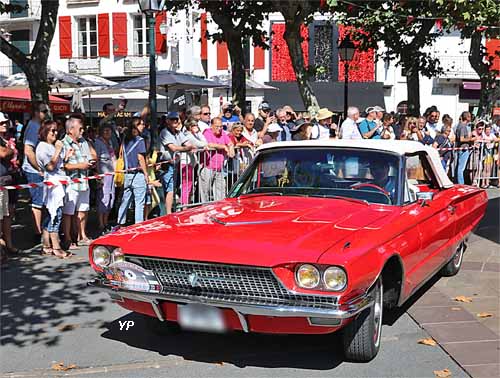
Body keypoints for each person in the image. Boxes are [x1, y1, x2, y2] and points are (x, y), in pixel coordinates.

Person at [36, 120, 72, 258]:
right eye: (52, 131)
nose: (55, 133)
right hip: (53, 186)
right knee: (55, 216)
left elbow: (59, 166)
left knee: (52, 215)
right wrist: (58, 150)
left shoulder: (50, 146)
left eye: (57, 130)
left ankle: (46, 245)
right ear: (45, 132)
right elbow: (50, 167)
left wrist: (66, 156)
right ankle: (56, 247)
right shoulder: (43, 147)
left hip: (59, 183)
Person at [62, 116, 94, 249]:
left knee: (83, 209)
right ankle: (68, 239)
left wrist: (90, 164)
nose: (82, 131)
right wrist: (80, 166)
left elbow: (91, 157)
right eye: (80, 128)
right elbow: (63, 165)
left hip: (84, 181)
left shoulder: (83, 142)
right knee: (69, 212)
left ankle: (82, 235)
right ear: (70, 129)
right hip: (71, 183)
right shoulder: (63, 143)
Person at [22, 102, 49, 242]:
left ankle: (42, 229)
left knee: (42, 200)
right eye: (44, 111)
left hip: (38, 169)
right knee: (38, 202)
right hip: (34, 170)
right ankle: (37, 232)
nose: (46, 113)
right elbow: (28, 150)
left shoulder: (37, 126)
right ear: (36, 112)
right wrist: (39, 168)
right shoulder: (33, 126)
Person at [159, 112, 195, 214]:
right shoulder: (165, 132)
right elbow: (173, 148)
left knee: (173, 188)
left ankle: (171, 211)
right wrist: (186, 148)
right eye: (172, 119)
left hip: (175, 164)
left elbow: (189, 143)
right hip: (165, 164)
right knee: (169, 189)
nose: (175, 121)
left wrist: (190, 147)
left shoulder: (178, 133)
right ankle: (168, 213)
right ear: (167, 121)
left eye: (176, 119)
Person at [117, 118, 150, 224]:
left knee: (125, 200)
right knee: (139, 202)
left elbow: (121, 155)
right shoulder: (140, 140)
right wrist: (146, 174)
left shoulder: (125, 140)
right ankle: (138, 225)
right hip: (138, 175)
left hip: (127, 174)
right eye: (141, 124)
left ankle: (120, 222)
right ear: (136, 126)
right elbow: (140, 158)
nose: (143, 126)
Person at [200, 117, 234, 202]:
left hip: (219, 168)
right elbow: (209, 144)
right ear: (212, 126)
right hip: (207, 167)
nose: (219, 128)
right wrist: (223, 146)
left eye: (221, 126)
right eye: (217, 126)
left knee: (221, 192)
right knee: (205, 192)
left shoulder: (223, 133)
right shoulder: (207, 132)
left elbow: (230, 142)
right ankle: (205, 210)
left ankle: (220, 210)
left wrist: (231, 148)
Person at [94, 125, 116, 232]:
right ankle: (101, 223)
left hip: (112, 173)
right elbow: (97, 159)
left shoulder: (110, 142)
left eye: (109, 131)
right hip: (103, 174)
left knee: (111, 198)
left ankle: (106, 221)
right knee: (103, 198)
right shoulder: (98, 143)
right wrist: (98, 174)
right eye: (106, 130)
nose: (108, 133)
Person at [455, 112, 475, 185]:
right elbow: (461, 139)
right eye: (469, 117)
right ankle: (461, 184)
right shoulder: (463, 127)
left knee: (459, 167)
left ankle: (458, 182)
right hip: (463, 149)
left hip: (461, 149)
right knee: (461, 168)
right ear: (467, 117)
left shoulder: (460, 126)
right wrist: (471, 139)